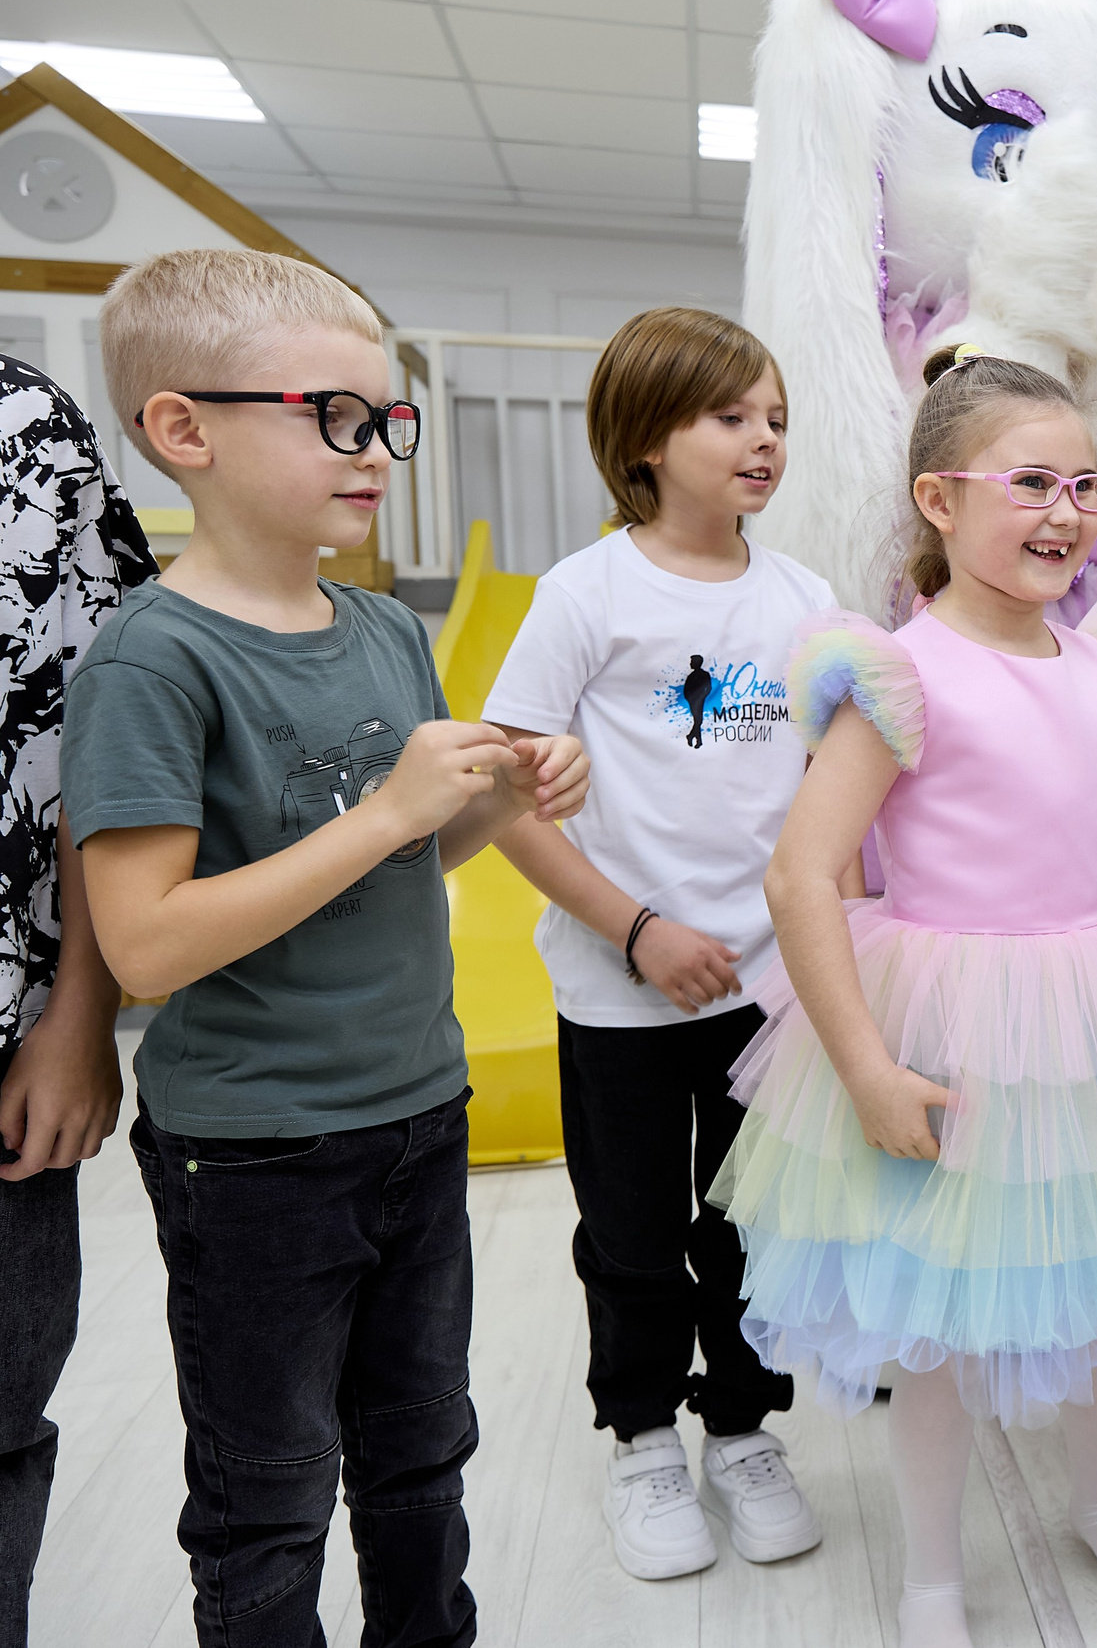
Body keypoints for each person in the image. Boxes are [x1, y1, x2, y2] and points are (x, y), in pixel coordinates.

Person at [64, 248, 589, 1648]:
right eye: (337, 418)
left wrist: (491, 801)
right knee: (269, 1489)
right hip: (253, 1153)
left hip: (419, 1111)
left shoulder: (378, 624)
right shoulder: (150, 660)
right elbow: (146, 946)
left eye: (386, 421)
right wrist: (397, 809)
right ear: (187, 431)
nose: (376, 453)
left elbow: (418, 855)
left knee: (424, 1453)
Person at [708, 346, 1097, 1648]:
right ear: (940, 501)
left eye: (1086, 483)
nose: (1067, 508)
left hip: (1092, 1006)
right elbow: (801, 876)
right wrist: (862, 1065)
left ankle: (1096, 1499)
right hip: (947, 1007)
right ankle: (932, 1570)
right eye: (1030, 480)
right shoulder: (900, 669)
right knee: (941, 1315)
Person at [482, 308, 833, 1581]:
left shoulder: (805, 599)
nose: (764, 441)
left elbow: (838, 790)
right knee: (630, 1233)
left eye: (777, 418)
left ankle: (742, 1429)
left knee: (756, 1226)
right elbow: (504, 800)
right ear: (645, 440)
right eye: (730, 416)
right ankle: (640, 1435)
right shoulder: (585, 594)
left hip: (769, 992)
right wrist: (635, 930)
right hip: (620, 988)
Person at [0, 355, 157, 1648]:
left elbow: (68, 732)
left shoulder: (23, 424)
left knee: (4, 1404)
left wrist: (73, 1011)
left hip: (14, 1023)